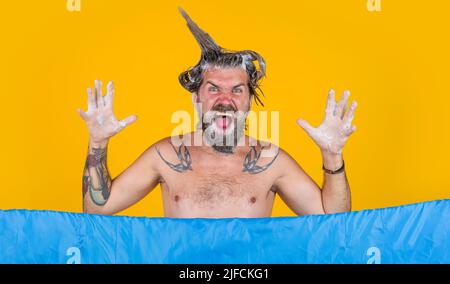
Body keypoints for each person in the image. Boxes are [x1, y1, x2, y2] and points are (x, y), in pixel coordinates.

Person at [76, 8, 358, 218]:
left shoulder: (271, 161)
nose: (225, 99)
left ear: (249, 102)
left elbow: (332, 221)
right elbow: (97, 209)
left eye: (237, 90)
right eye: (214, 89)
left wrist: (332, 155)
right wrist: (98, 143)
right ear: (196, 98)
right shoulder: (166, 155)